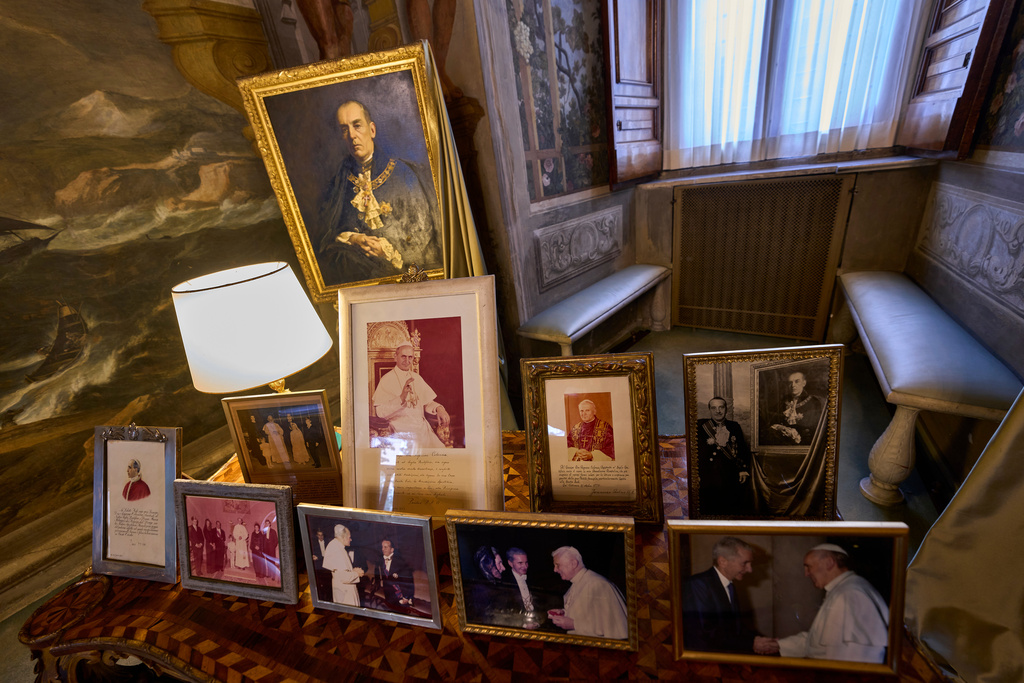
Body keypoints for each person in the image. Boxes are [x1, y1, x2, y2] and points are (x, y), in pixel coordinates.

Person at [317, 100, 441, 285]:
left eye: (357, 125)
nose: (352, 135)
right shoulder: (339, 181)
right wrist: (354, 238)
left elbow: (423, 238)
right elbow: (327, 236)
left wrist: (388, 251)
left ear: (372, 130)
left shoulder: (403, 174)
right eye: (344, 129)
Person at [761, 544, 890, 662]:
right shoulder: (842, 589)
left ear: (829, 563)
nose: (806, 574)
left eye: (808, 566)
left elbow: (857, 654)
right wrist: (779, 645)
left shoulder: (850, 594)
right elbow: (817, 642)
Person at [682, 537, 772, 654]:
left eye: (750, 563)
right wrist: (751, 643)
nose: (750, 569)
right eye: (745, 563)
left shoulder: (730, 585)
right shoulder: (698, 584)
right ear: (722, 561)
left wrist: (759, 640)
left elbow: (736, 627)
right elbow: (706, 631)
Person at [372, 342, 449, 449]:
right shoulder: (386, 380)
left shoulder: (416, 378)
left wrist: (439, 408)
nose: (407, 361)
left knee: (440, 451)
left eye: (410, 357)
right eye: (403, 356)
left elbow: (427, 403)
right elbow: (380, 412)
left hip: (422, 429)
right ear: (395, 357)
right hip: (400, 431)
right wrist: (401, 398)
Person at [547, 546, 627, 640]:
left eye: (558, 565)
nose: (555, 570)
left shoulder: (599, 585)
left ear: (573, 564)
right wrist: (564, 613)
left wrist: (574, 625)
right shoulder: (578, 582)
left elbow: (611, 625)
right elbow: (588, 614)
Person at [694, 398, 752, 515]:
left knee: (730, 510)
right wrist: (696, 474)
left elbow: (742, 449)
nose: (718, 411)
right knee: (710, 510)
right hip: (708, 476)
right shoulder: (701, 427)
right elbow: (696, 453)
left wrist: (742, 469)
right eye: (714, 408)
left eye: (721, 407)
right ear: (710, 410)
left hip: (730, 475)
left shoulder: (734, 427)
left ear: (726, 409)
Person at [765, 371, 824, 446]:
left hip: (805, 444)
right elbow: (773, 421)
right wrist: (781, 427)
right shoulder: (783, 401)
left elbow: (816, 429)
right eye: (790, 382)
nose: (793, 385)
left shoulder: (814, 402)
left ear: (804, 383)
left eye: (797, 381)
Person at [323, 524, 365, 606]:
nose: (350, 539)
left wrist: (353, 571)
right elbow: (344, 577)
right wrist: (357, 573)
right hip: (345, 591)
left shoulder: (336, 545)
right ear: (344, 537)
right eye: (349, 537)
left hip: (342, 588)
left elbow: (341, 570)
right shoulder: (337, 550)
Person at [465, 545, 506, 623]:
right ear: (487, 565)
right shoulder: (481, 590)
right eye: (499, 563)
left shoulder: (496, 585)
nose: (503, 568)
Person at [373, 537, 415, 609]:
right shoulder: (380, 560)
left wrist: (406, 597)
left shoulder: (400, 562)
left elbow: (408, 581)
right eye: (382, 547)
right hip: (388, 594)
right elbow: (377, 573)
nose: (383, 549)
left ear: (392, 549)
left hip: (399, 595)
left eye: (385, 547)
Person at [311, 528, 333, 602]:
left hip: (327, 565)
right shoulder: (314, 544)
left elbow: (329, 555)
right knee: (320, 583)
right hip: (319, 566)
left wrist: (319, 557)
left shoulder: (328, 542)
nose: (320, 537)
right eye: (319, 535)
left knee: (328, 582)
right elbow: (313, 556)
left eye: (322, 535)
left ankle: (329, 598)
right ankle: (322, 598)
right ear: (317, 535)